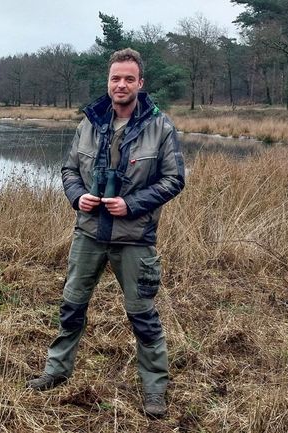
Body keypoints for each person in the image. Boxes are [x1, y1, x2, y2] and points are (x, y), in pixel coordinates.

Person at [25, 48, 185, 418]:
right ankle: (57, 370)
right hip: (89, 233)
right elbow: (68, 169)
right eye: (116, 78)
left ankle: (154, 388)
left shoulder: (160, 126)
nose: (122, 85)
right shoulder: (89, 123)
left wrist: (132, 204)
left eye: (129, 78)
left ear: (140, 83)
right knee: (71, 306)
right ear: (108, 82)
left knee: (142, 315)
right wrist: (78, 196)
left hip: (134, 238)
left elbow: (174, 179)